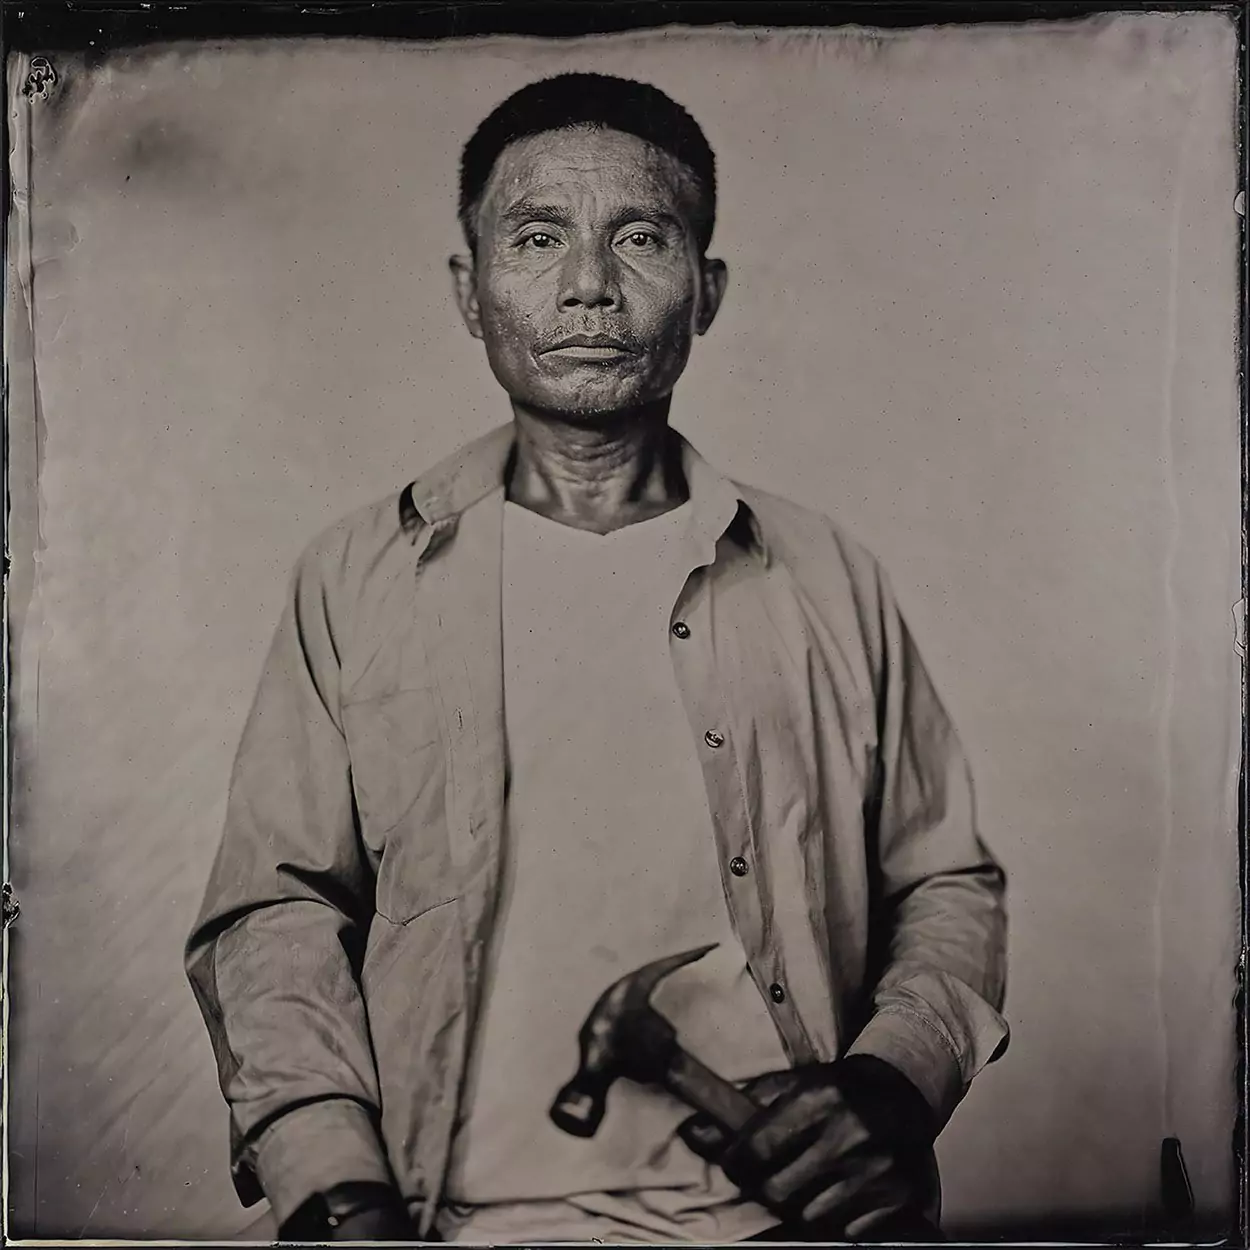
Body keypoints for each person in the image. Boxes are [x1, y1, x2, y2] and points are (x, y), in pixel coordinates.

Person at [185, 72, 1009, 1245]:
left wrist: (892, 1080)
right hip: (447, 1221)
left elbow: (942, 883)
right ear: (469, 292)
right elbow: (275, 909)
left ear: (705, 291)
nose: (587, 287)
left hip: (787, 1224)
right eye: (535, 238)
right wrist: (333, 1183)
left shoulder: (824, 575)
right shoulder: (355, 576)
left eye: (639, 237)